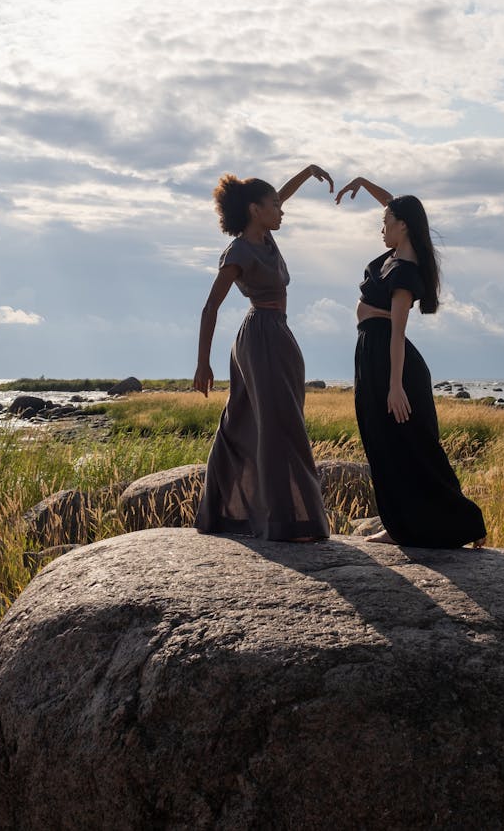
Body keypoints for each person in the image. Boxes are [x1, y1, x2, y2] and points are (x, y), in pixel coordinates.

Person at [335, 176, 487, 549]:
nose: (380, 228)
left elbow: (399, 333)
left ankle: (463, 523)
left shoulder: (404, 270)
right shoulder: (402, 248)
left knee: (407, 447)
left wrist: (395, 385)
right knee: (383, 444)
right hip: (373, 354)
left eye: (385, 223)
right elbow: (396, 203)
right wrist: (362, 182)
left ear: (401, 226)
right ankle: (400, 525)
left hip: (390, 361)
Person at [193, 165, 332, 542]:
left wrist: (307, 172)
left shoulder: (266, 234)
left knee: (257, 419)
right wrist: (203, 362)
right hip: (260, 337)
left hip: (277, 332)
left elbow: (281, 194)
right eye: (274, 205)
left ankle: (232, 512)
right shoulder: (239, 250)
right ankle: (285, 521)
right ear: (256, 210)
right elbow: (210, 307)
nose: (281, 210)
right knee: (276, 424)